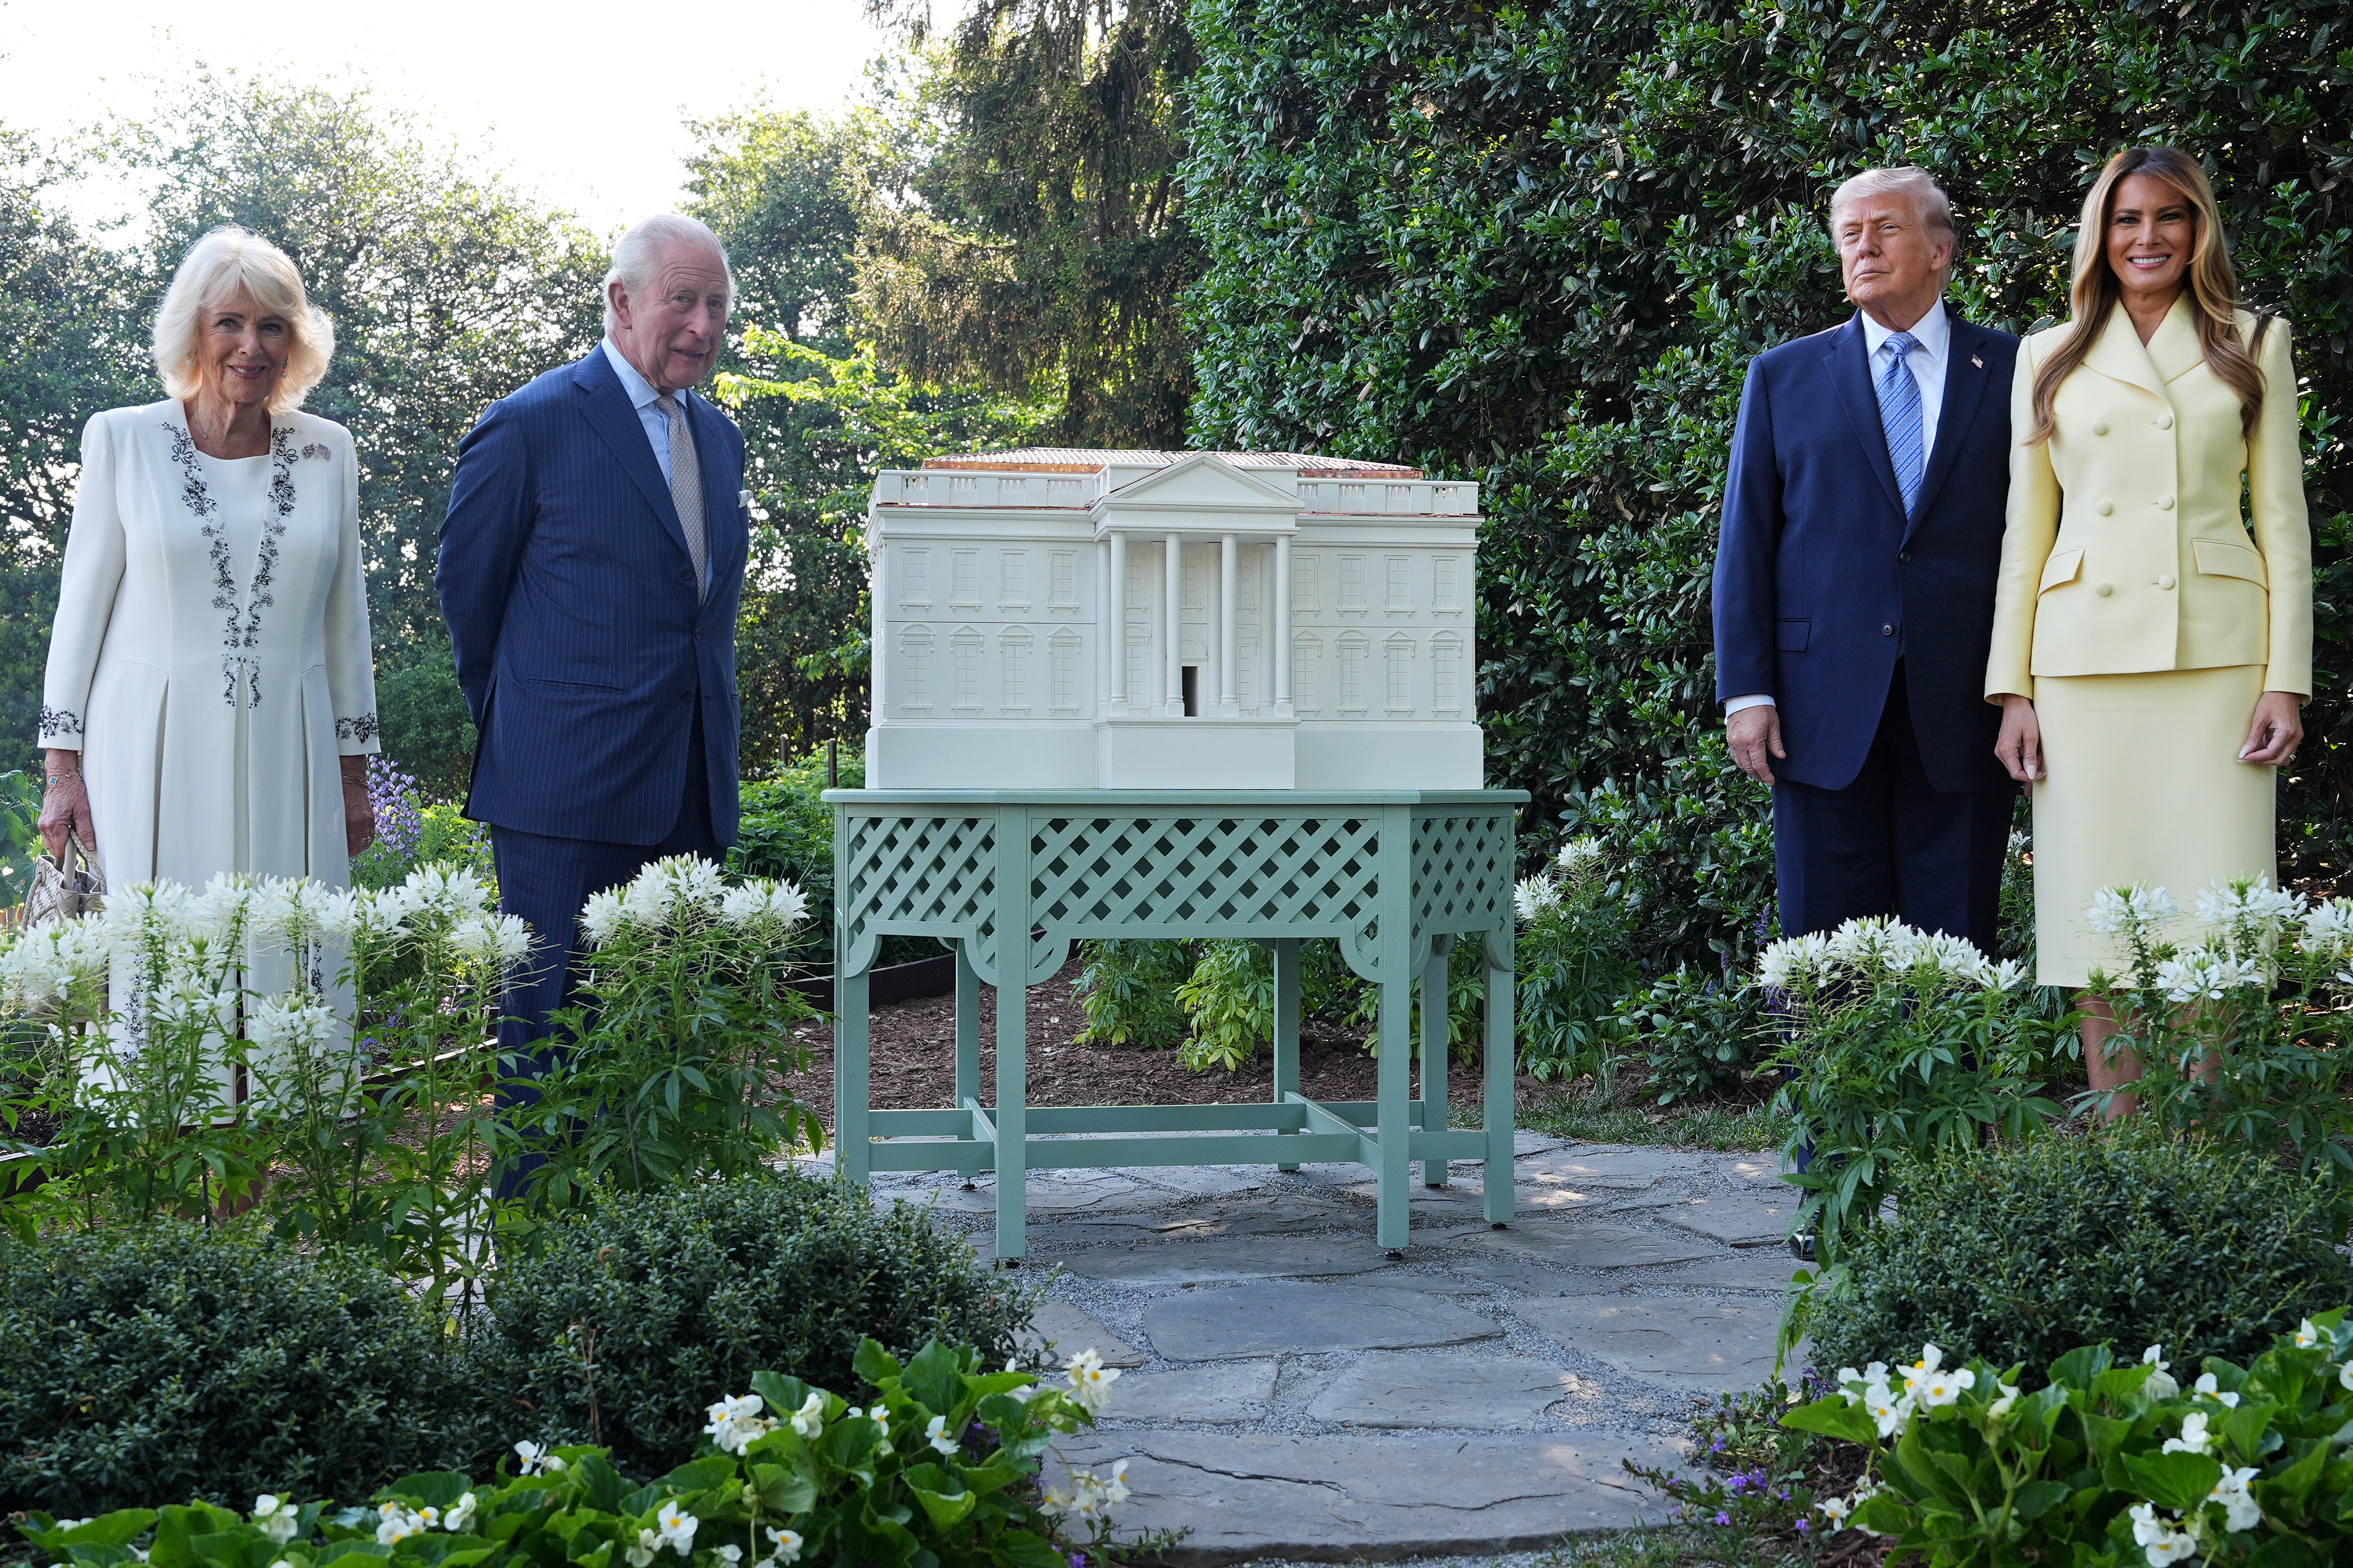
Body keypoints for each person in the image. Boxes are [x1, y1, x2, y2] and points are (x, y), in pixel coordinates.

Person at [1987, 147, 2311, 1113]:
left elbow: (2283, 521)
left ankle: (2199, 1155)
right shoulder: (2047, 354)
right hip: (2081, 666)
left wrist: (2283, 677)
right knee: (2097, 915)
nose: (2148, 237)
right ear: (2101, 234)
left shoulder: (2252, 340)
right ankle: (2125, 1151)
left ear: (2197, 230)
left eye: (2169, 218)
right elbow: (2024, 532)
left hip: (2216, 661)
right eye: (2127, 219)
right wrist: (2013, 689)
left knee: (2213, 922)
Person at [437, 213, 749, 1191]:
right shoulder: (530, 424)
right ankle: (536, 1288)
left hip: (691, 792)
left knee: (663, 1051)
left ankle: (653, 1275)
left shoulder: (722, 438)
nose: (702, 325)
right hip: (561, 803)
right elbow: (470, 605)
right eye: (682, 301)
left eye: (717, 306)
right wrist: (539, 732)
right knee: (550, 1054)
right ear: (620, 302)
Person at [1713, 168, 2021, 960]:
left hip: (1967, 701)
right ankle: (1829, 1086)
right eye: (1849, 234)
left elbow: (2042, 538)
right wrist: (1747, 690)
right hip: (1819, 710)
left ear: (1941, 250)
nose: (1864, 246)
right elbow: (1746, 542)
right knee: (1824, 945)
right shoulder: (1783, 376)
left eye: (1885, 228)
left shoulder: (2021, 370)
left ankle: (1947, 1089)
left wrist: (2028, 685)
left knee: (1954, 945)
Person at [36, 223, 379, 893]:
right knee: (164, 969)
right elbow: (78, 616)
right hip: (149, 753)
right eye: (230, 322)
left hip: (294, 754)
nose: (251, 346)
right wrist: (62, 773)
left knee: (293, 961)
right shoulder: (122, 439)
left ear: (295, 344)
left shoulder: (329, 450)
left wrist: (355, 775)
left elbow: (347, 626)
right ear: (194, 332)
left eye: (273, 326)